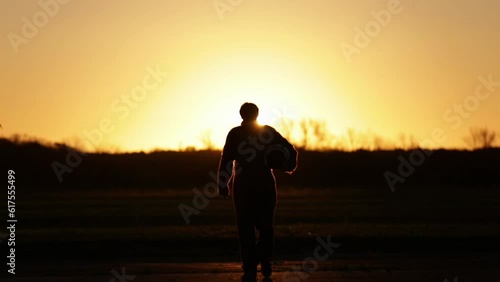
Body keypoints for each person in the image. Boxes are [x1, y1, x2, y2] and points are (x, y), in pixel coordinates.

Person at [217, 102, 297, 281]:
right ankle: (264, 260)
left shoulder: (235, 134)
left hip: (243, 186)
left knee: (245, 228)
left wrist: (223, 184)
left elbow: (227, 161)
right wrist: (288, 166)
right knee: (266, 226)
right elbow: (291, 150)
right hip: (264, 184)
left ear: (241, 115)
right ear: (257, 114)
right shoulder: (267, 132)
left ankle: (250, 267)